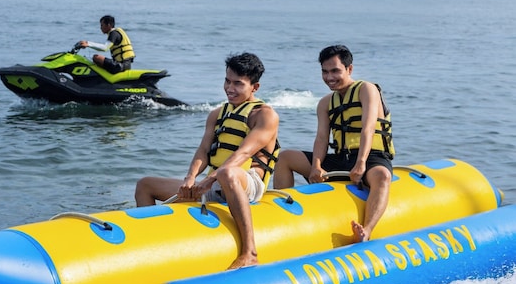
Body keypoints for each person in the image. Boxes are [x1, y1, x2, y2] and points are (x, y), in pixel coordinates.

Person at [135, 52, 280, 270]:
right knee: (145, 185)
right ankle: (148, 246)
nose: (230, 88)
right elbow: (203, 151)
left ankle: (250, 252)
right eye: (227, 81)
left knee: (227, 173)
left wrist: (209, 180)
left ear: (255, 87)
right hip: (216, 182)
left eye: (238, 84)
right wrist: (191, 178)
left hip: (247, 183)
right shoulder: (217, 114)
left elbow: (242, 154)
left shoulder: (264, 115)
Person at [273, 44, 395, 243]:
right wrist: (316, 166)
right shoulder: (325, 103)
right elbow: (322, 137)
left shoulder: (366, 89)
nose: (329, 77)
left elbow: (368, 128)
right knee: (285, 157)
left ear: (349, 69)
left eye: (335, 71)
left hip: (371, 158)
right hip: (340, 160)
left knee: (382, 176)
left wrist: (361, 163)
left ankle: (367, 230)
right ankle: (283, 215)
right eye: (325, 71)